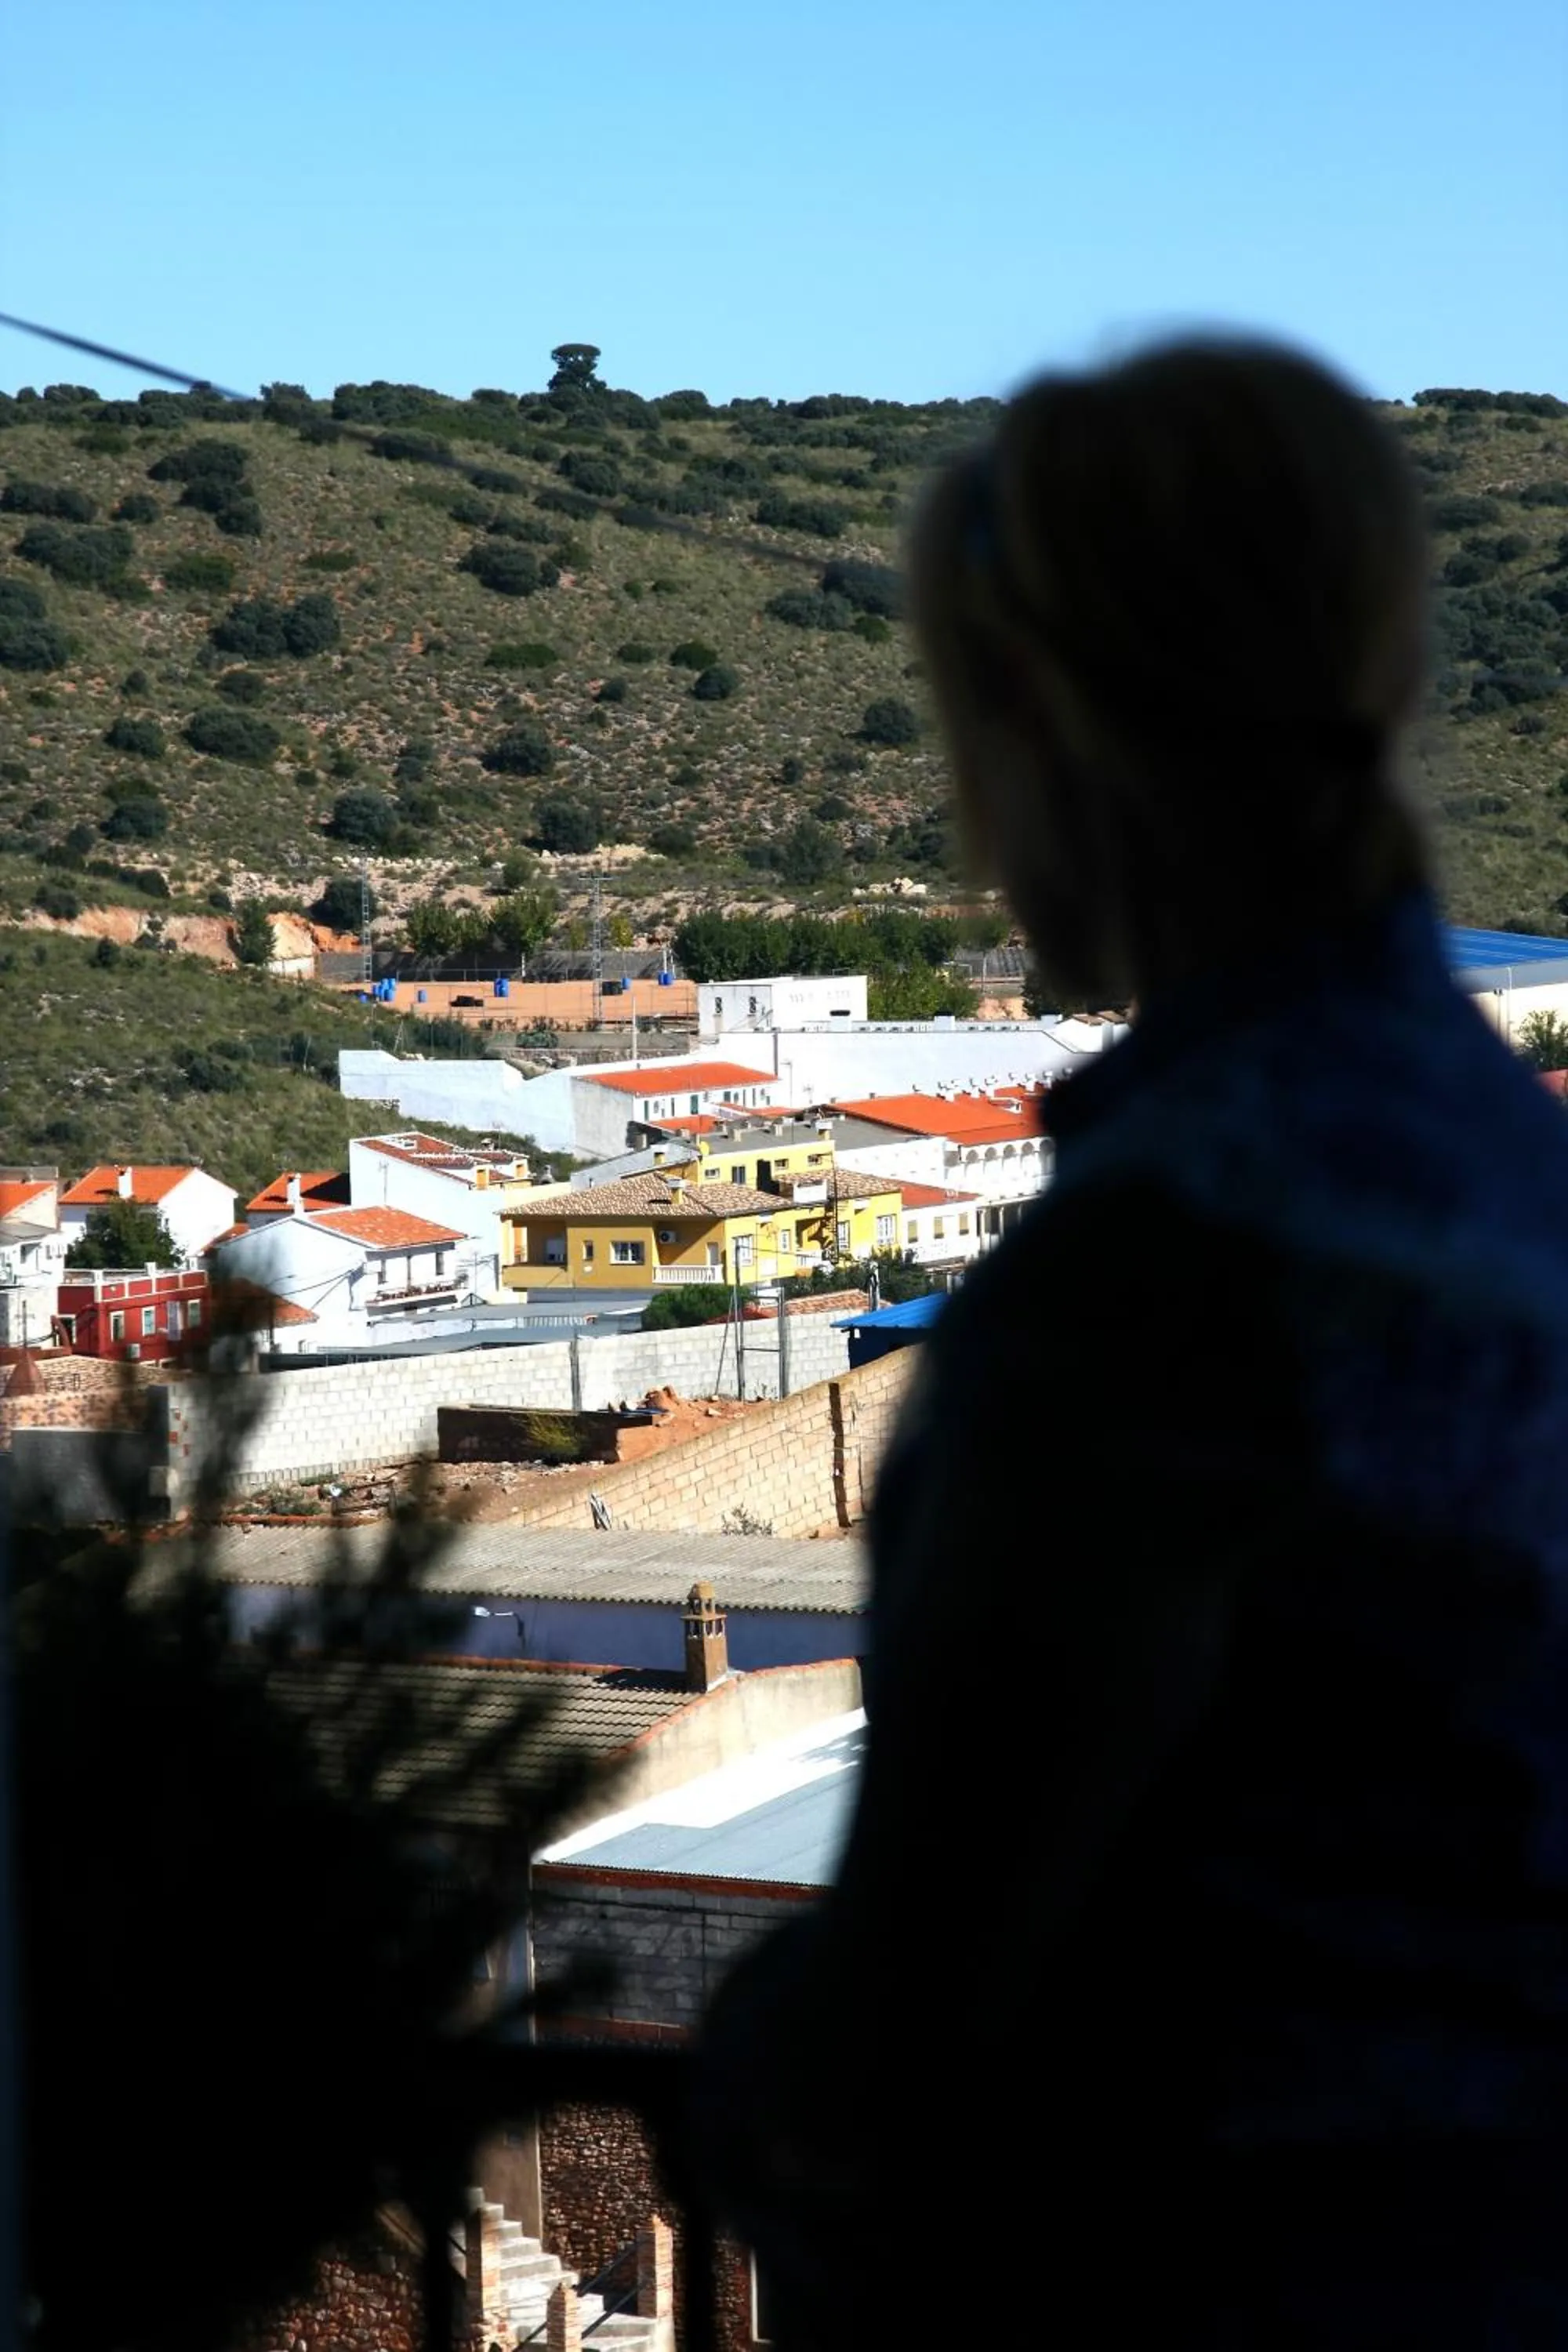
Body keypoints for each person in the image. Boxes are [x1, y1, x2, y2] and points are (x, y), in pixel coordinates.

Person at [688, 339, 1568, 2345]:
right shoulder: (1512, 1189)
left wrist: (756, 2059)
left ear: (1042, 721)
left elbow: (922, 2007)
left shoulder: (1163, 1277)